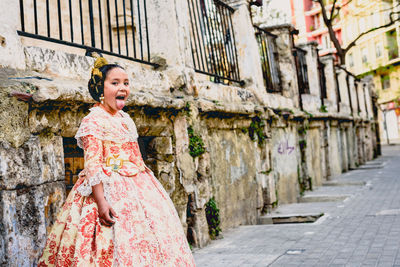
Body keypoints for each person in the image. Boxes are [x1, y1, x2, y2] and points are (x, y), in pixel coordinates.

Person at [38, 57, 196, 266]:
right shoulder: (93, 120)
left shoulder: (124, 118)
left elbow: (134, 156)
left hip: (138, 186)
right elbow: (93, 164)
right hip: (107, 189)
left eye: (126, 83)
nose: (122, 87)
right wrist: (102, 202)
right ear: (100, 88)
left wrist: (148, 189)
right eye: (115, 83)